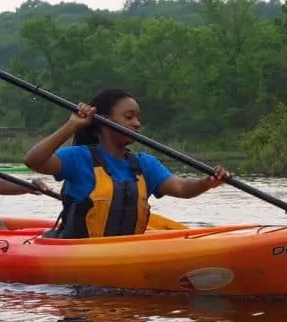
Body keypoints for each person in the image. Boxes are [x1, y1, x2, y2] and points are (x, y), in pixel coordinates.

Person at [23, 89, 231, 239]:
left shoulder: (144, 165)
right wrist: (72, 125)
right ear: (105, 120)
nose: (137, 123)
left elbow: (182, 188)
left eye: (138, 118)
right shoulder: (79, 158)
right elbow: (34, 160)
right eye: (128, 117)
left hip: (128, 253)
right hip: (78, 253)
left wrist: (207, 182)